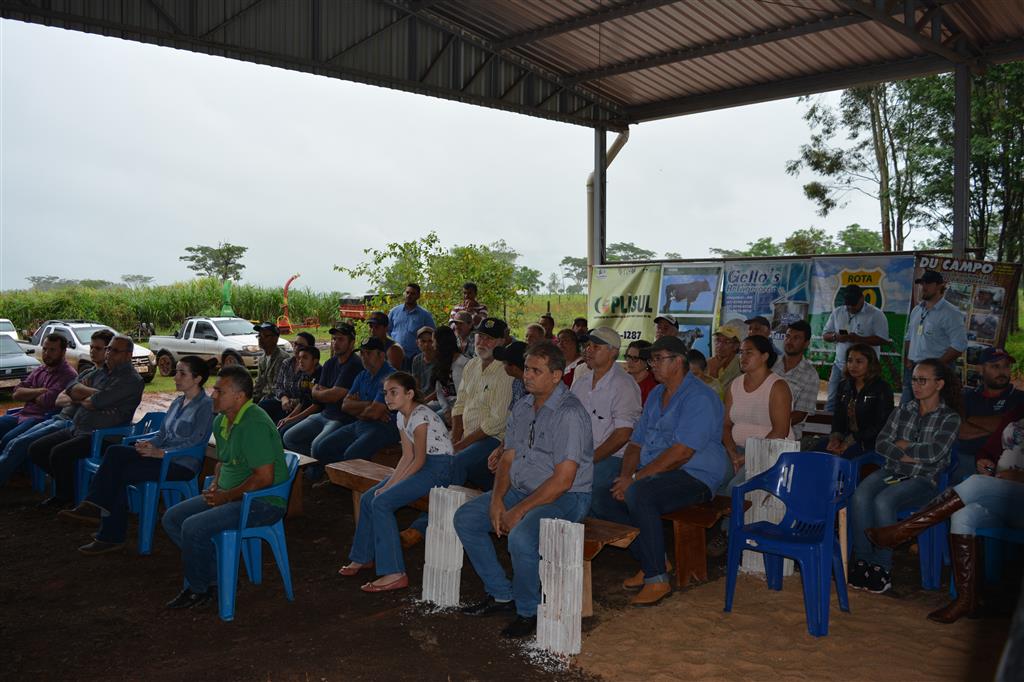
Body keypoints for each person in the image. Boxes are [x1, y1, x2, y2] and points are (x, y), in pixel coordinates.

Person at [453, 343, 593, 638]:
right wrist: (497, 500)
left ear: (556, 375)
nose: (527, 375)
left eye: (535, 371)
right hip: (524, 490)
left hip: (566, 497)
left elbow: (564, 480)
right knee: (466, 518)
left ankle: (528, 610)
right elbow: (508, 457)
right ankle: (501, 594)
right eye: (527, 369)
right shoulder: (523, 406)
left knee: (521, 537)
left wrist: (518, 510)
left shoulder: (569, 413)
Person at [591, 336, 729, 606]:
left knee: (640, 494)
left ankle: (657, 579)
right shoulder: (656, 394)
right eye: (651, 359)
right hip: (656, 470)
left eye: (657, 359)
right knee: (600, 497)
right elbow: (635, 443)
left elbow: (682, 453)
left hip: (696, 474)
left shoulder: (700, 397)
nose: (651, 364)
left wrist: (634, 480)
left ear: (678, 361)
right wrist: (626, 476)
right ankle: (652, 559)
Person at [865, 418, 1024, 623]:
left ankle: (903, 531)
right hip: (1003, 494)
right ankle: (966, 600)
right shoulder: (1017, 413)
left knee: (975, 483)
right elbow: (988, 449)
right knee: (963, 514)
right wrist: (984, 460)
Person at [162, 365, 289, 610]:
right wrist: (215, 485)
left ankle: (200, 589)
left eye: (220, 391)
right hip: (231, 495)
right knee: (172, 519)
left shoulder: (254, 423)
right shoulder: (221, 421)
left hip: (262, 501)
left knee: (193, 527)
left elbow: (264, 478)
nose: (213, 395)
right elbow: (222, 462)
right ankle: (216, 576)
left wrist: (226, 496)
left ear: (239, 397)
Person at [59, 356, 214, 554]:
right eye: (177, 372)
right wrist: (149, 444)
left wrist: (160, 453)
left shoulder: (205, 406)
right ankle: (95, 507)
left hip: (180, 464)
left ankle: (109, 533)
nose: (175, 377)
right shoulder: (178, 402)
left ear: (197, 379)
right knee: (115, 452)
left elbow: (195, 442)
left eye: (182, 373)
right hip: (159, 456)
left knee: (121, 474)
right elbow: (162, 434)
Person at [849, 358, 961, 594]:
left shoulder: (949, 417)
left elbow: (935, 453)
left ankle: (882, 567)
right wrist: (906, 454)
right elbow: (881, 443)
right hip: (892, 471)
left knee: (884, 501)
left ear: (939, 384)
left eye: (923, 380)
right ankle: (862, 560)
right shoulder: (904, 410)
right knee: (860, 495)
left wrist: (904, 446)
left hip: (925, 480)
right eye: (914, 380)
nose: (916, 385)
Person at [339, 372, 454, 592]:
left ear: (409, 394)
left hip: (438, 469)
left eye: (394, 392)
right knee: (369, 498)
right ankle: (363, 556)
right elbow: (407, 456)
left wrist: (390, 487)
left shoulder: (420, 416)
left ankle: (394, 573)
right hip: (422, 465)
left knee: (382, 502)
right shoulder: (402, 416)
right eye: (385, 393)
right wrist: (387, 485)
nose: (387, 398)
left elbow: (419, 460)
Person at [30, 335, 144, 508]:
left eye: (115, 350)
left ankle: (65, 496)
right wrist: (96, 395)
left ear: (128, 355)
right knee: (36, 449)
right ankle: (74, 487)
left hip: (103, 436)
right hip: (78, 427)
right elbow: (71, 388)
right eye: (108, 349)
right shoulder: (100, 371)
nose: (109, 353)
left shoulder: (131, 380)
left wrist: (88, 396)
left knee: (59, 453)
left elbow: (95, 402)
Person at [0, 330, 113, 487]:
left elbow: (49, 401)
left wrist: (77, 394)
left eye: (98, 348)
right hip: (44, 416)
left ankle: (20, 475)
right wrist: (40, 392)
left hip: (54, 419)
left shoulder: (71, 374)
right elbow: (58, 399)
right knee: (17, 441)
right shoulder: (85, 372)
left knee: (17, 442)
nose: (92, 351)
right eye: (91, 347)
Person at [572, 327, 642, 522]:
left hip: (613, 457)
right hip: (582, 454)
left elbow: (623, 434)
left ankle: (630, 530)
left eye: (596, 346)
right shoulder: (581, 382)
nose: (589, 350)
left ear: (613, 352)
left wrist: (589, 459)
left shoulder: (624, 385)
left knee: (583, 486)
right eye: (587, 346)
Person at [308, 337, 398, 466]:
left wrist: (359, 409)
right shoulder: (362, 375)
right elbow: (345, 406)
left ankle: (345, 475)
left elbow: (374, 413)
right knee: (322, 448)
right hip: (361, 422)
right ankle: (335, 474)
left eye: (368, 353)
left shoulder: (391, 377)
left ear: (381, 355)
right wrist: (368, 405)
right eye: (362, 353)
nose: (364, 357)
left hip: (383, 427)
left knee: (351, 456)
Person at [282, 324, 362, 463]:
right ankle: (317, 465)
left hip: (341, 418)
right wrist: (324, 393)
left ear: (352, 343)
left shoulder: (354, 364)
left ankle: (319, 467)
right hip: (324, 414)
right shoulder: (331, 362)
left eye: (341, 339)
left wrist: (321, 392)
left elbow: (332, 396)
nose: (335, 343)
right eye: (334, 339)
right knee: (289, 437)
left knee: (317, 446)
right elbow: (320, 393)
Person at [722, 335, 794, 484]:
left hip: (771, 451)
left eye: (749, 352)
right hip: (736, 450)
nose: (743, 357)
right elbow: (726, 425)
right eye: (741, 352)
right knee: (713, 479)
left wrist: (749, 456)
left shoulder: (778, 387)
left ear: (764, 356)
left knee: (736, 488)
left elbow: (780, 431)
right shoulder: (734, 385)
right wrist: (733, 453)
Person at [816, 344, 894, 458]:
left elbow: (881, 425)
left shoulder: (882, 388)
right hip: (847, 438)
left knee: (844, 456)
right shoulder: (844, 386)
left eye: (859, 361)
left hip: (872, 442)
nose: (853, 365)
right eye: (850, 361)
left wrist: (851, 440)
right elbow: (838, 417)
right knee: (817, 451)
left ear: (871, 364)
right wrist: (835, 438)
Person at [0, 333, 77, 448]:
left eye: (52, 350)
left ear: (63, 352)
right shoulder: (40, 370)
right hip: (22, 415)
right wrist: (39, 391)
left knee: (8, 439)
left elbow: (46, 400)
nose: (47, 353)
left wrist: (29, 393)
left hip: (41, 419)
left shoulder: (68, 374)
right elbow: (16, 393)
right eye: (44, 349)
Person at [902, 270, 967, 405]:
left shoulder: (951, 313)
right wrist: (908, 360)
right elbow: (909, 337)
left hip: (936, 373)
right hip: (912, 369)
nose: (923, 287)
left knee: (932, 410)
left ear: (939, 286)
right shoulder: (917, 310)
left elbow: (958, 346)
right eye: (922, 283)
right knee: (906, 409)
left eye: (928, 283)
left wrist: (935, 367)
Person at [822, 284, 890, 411]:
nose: (851, 308)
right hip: (840, 366)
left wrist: (859, 339)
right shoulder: (838, 312)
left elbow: (883, 339)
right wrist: (836, 337)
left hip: (865, 369)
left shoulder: (876, 314)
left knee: (862, 404)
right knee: (832, 401)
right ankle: (831, 423)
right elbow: (825, 335)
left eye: (854, 305)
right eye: (848, 305)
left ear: (862, 299)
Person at [957, 347, 1023, 479]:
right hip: (964, 460)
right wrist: (1003, 428)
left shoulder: (1020, 398)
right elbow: (960, 431)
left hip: (1002, 466)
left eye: (1006, 366)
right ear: (980, 369)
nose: (1002, 371)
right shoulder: (966, 397)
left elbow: (1014, 428)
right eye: (995, 366)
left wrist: (972, 420)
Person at [771, 320, 820, 441]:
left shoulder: (810, 375)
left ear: (806, 343)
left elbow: (799, 414)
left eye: (796, 338)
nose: (789, 341)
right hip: (758, 427)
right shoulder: (771, 364)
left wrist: (771, 424)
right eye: (788, 336)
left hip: (788, 438)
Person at [258, 332, 314, 422]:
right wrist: (284, 398)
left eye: (301, 345)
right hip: (282, 402)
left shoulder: (312, 368)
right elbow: (278, 386)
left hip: (299, 407)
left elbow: (309, 395)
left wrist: (293, 402)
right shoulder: (287, 363)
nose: (296, 347)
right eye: (295, 344)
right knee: (261, 408)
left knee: (277, 420)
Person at [275, 346, 322, 435]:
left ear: (315, 361)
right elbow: (302, 402)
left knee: (285, 432)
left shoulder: (320, 375)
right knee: (280, 426)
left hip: (316, 415)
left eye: (305, 358)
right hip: (304, 412)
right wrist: (288, 418)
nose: (300, 361)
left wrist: (292, 419)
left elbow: (316, 406)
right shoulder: (305, 375)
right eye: (299, 358)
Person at [388, 283, 436, 364]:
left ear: (418, 296)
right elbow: (387, 331)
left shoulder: (424, 315)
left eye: (412, 293)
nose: (409, 295)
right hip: (396, 356)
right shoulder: (394, 312)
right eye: (407, 292)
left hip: (415, 357)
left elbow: (433, 334)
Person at [432, 325, 469, 424]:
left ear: (441, 343)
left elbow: (463, 398)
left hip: (463, 408)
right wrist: (446, 410)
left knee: (432, 419)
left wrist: (453, 414)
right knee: (423, 409)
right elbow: (439, 391)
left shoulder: (462, 364)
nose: (432, 345)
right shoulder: (441, 362)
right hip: (448, 404)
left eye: (433, 341)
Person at [251, 322, 290, 404]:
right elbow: (259, 383)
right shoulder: (262, 358)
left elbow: (277, 388)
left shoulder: (283, 358)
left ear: (275, 339)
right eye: (259, 336)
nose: (260, 339)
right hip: (263, 398)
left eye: (265, 336)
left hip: (277, 399)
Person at [706, 322, 743, 391]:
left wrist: (713, 374)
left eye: (727, 342)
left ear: (736, 346)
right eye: (717, 340)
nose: (720, 345)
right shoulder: (708, 363)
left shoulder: (741, 366)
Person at [493, 341, 528, 408]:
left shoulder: (534, 389)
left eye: (504, 363)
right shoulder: (517, 383)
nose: (503, 365)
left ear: (514, 369)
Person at [624, 340, 657, 405]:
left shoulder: (654, 385)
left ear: (647, 361)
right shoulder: (622, 379)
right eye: (628, 357)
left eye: (635, 358)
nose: (630, 361)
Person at [410, 326, 437, 400]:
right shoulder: (416, 360)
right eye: (423, 341)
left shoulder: (440, 359)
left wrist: (424, 401)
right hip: (422, 398)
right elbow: (416, 385)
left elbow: (440, 390)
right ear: (417, 343)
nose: (426, 344)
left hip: (437, 400)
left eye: (430, 341)